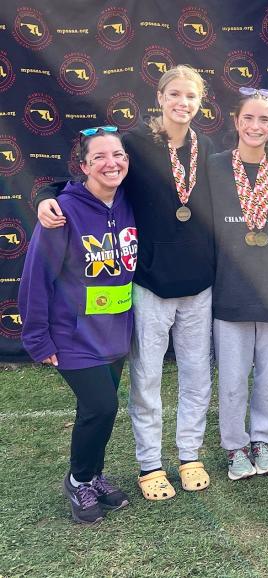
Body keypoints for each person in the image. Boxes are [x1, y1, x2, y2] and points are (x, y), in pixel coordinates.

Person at [38, 65, 215, 500]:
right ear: (159, 96)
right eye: (174, 94)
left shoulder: (206, 146)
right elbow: (85, 182)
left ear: (200, 101)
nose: (182, 103)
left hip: (198, 286)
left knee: (197, 377)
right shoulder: (133, 145)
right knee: (146, 380)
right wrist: (44, 198)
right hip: (150, 284)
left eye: (190, 96)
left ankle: (189, 453)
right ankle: (150, 462)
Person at [20, 127, 136, 523]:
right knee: (101, 407)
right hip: (73, 335)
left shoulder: (129, 201)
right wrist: (37, 337)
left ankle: (94, 474)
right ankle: (79, 479)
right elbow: (36, 277)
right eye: (100, 157)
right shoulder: (62, 213)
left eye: (117, 154)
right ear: (84, 166)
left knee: (98, 410)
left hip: (115, 332)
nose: (111, 163)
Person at [209, 88, 268, 481]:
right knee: (232, 375)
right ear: (236, 120)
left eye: (265, 120)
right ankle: (235, 446)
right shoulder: (213, 166)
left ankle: (263, 439)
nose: (256, 126)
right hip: (231, 286)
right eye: (249, 118)